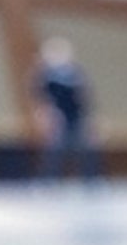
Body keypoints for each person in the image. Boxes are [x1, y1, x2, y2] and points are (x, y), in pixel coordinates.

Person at [36, 37, 103, 184]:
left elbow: (85, 97)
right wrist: (47, 115)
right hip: (58, 118)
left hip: (77, 116)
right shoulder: (45, 75)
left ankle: (92, 180)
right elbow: (42, 98)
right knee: (55, 151)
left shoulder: (76, 73)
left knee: (86, 149)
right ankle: (48, 181)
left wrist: (91, 120)